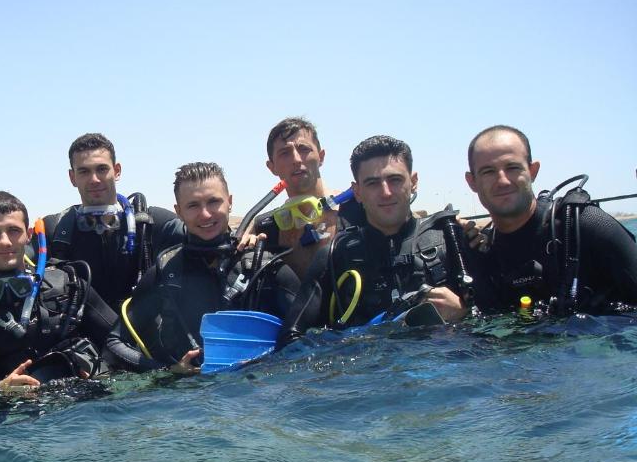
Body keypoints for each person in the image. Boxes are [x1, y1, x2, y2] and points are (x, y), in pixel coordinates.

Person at [104, 162, 303, 374]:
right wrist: (169, 370)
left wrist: (272, 363)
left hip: (262, 386)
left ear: (230, 202)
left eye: (213, 202)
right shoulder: (166, 271)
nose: (206, 214)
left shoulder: (264, 267)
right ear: (179, 212)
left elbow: (308, 337)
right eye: (193, 205)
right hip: (188, 389)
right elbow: (115, 342)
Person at [0, 133, 180, 311]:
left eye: (102, 169)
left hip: (142, 339)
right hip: (79, 343)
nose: (94, 179)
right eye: (84, 171)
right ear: (72, 177)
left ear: (117, 171)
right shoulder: (55, 230)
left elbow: (199, 240)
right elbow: (8, 257)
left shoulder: (153, 224)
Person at [0, 191, 118, 394]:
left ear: (29, 235)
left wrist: (99, 373)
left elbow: (123, 346)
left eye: (13, 230)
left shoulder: (70, 288)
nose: (4, 241)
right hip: (4, 411)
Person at [285, 135, 477, 334]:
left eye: (395, 180)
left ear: (413, 182)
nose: (386, 192)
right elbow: (292, 338)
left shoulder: (452, 241)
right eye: (373, 183)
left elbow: (493, 321)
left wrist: (464, 312)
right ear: (357, 192)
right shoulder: (333, 258)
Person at [464, 125, 637, 315]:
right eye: (488, 171)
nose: (502, 181)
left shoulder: (587, 225)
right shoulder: (479, 253)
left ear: (533, 171)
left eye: (512, 167)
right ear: (472, 182)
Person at [252, 117, 367, 280]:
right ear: (272, 167)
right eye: (285, 153)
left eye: (304, 149)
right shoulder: (266, 228)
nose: (296, 159)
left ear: (321, 157)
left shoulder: (358, 210)